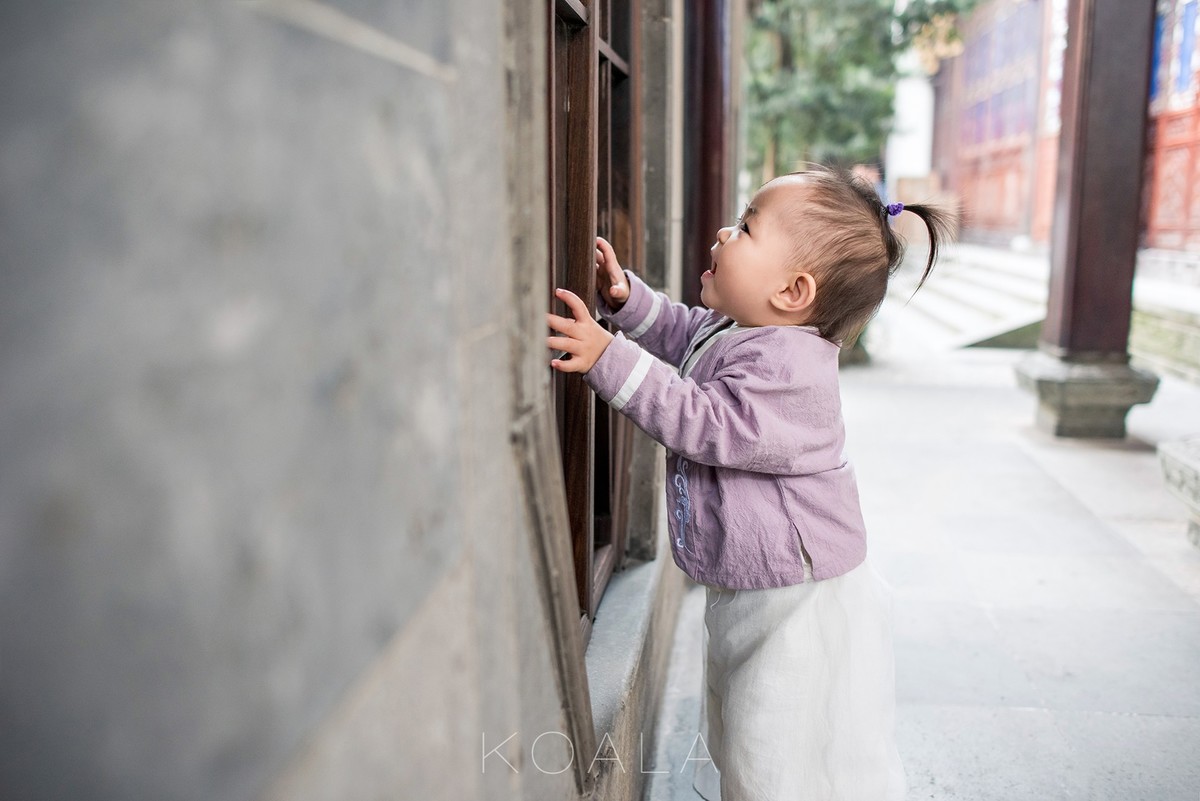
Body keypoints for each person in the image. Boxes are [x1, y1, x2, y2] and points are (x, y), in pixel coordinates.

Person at [545, 166, 954, 801]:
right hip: (760, 584)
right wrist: (629, 303)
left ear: (793, 291)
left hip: (801, 599)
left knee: (776, 745)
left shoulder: (791, 368)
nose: (721, 232)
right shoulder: (744, 330)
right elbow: (684, 335)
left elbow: (701, 421)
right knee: (744, 726)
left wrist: (607, 356)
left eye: (744, 227)